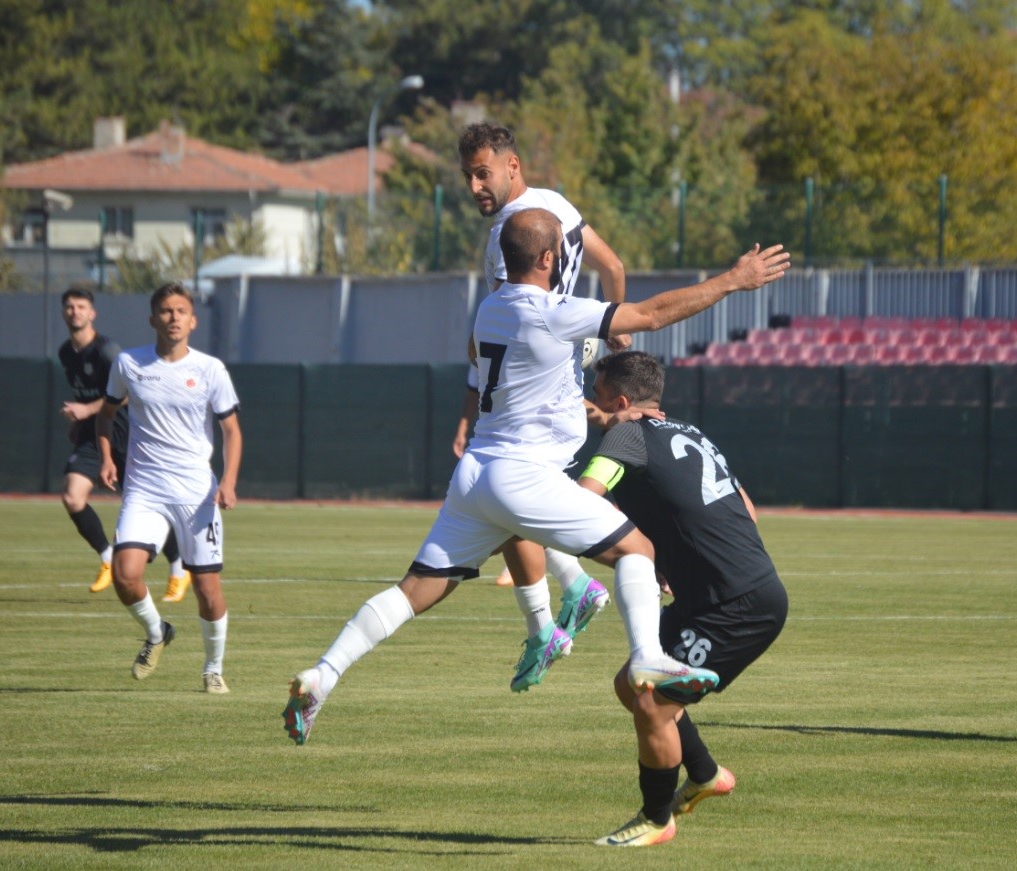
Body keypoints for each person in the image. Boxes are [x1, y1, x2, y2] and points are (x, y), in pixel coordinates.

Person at [283, 207, 790, 746]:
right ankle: (650, 658)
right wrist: (735, 280)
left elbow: (527, 376)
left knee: (415, 590)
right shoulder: (554, 312)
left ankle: (324, 674)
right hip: (523, 473)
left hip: (476, 474)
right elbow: (650, 315)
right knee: (637, 551)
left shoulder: (489, 310)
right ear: (550, 258)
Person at [577, 351, 788, 847]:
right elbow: (747, 510)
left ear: (623, 401)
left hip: (736, 606)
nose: (595, 403)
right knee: (631, 684)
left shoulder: (625, 435)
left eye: (600, 394)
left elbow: (585, 499)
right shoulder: (689, 432)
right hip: (724, 592)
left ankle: (655, 819)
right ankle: (705, 774)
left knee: (652, 705)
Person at [451, 120, 627, 681]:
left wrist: (470, 402)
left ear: (512, 165)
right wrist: (607, 335)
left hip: (529, 385)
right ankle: (572, 590)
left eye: (484, 173)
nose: (476, 186)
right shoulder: (558, 206)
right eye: (468, 177)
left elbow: (495, 332)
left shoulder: (513, 235)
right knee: (513, 496)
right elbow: (614, 267)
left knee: (502, 491)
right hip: (561, 373)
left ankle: (560, 610)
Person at [97, 282, 243, 694]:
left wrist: (229, 481)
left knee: (206, 588)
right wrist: (107, 457)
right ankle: (157, 631)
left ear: (193, 321)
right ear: (152, 319)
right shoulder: (128, 363)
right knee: (125, 576)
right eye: (165, 310)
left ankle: (213, 668)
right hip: (144, 489)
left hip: (196, 494)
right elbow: (105, 415)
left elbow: (231, 430)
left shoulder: (210, 369)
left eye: (181, 311)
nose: (173, 317)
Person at [57, 286, 187, 600]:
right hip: (93, 434)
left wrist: (87, 410)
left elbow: (127, 392)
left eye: (81, 307)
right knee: (72, 497)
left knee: (146, 505)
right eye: (70, 307)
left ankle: (179, 569)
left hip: (125, 432)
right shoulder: (65, 352)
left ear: (92, 313)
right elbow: (85, 394)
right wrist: (81, 423)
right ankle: (105, 557)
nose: (75, 312)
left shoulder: (107, 351)